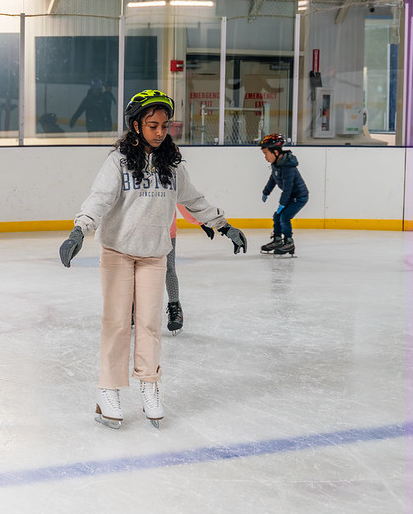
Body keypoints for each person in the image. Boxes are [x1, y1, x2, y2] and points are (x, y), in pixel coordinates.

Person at [59, 89, 246, 430]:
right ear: (135, 125)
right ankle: (109, 389)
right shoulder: (117, 162)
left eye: (165, 125)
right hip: (117, 252)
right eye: (152, 125)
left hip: (154, 255)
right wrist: (78, 231)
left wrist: (223, 225)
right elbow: (98, 199)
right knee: (116, 323)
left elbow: (195, 200)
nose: (160, 132)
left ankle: (149, 384)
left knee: (149, 324)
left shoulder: (173, 165)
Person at [164, 205, 216, 334]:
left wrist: (201, 221)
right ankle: (132, 307)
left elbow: (183, 200)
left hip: (167, 232)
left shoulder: (171, 183)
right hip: (139, 233)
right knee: (136, 269)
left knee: (169, 268)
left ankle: (174, 306)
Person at [258, 134, 309, 255]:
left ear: (275, 152)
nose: (265, 157)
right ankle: (277, 240)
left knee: (284, 217)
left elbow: (288, 188)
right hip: (291, 196)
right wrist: (266, 192)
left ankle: (289, 242)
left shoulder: (287, 167)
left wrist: (282, 203)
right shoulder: (277, 164)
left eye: (266, 153)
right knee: (277, 216)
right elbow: (273, 179)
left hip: (299, 197)